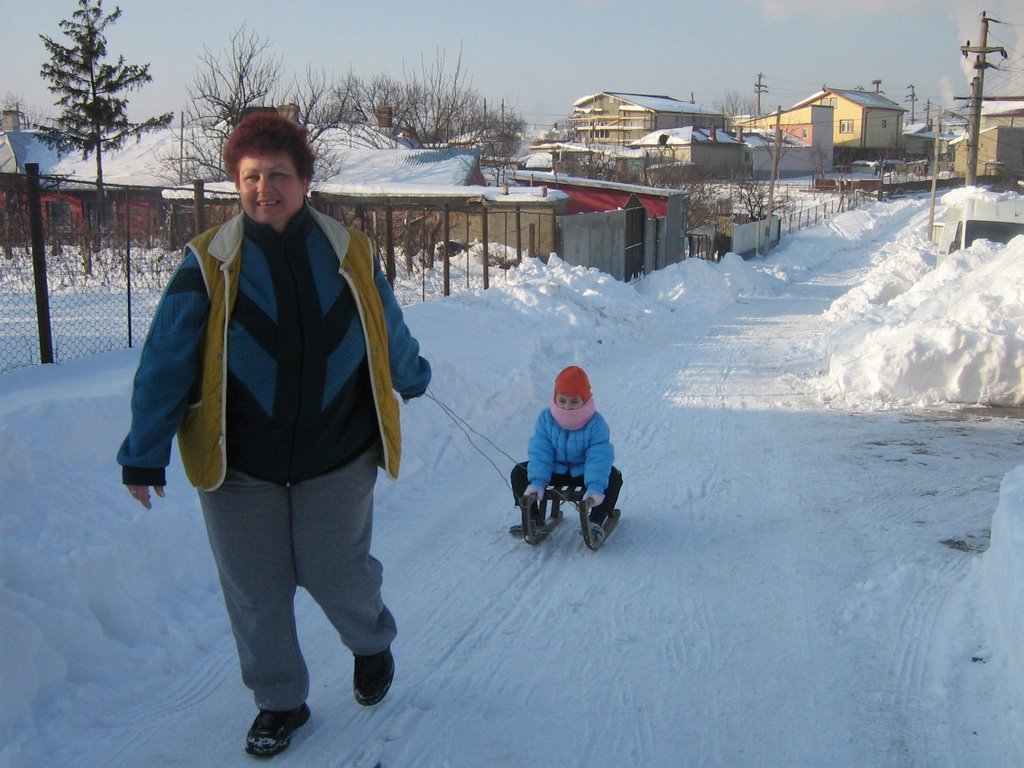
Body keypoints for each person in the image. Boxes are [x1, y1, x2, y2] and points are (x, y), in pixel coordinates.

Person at [117, 112, 431, 757]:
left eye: (278, 175)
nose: (265, 188)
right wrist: (144, 454)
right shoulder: (208, 261)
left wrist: (410, 373)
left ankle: (371, 643)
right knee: (255, 593)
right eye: (251, 176)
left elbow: (383, 324)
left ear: (305, 180)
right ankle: (280, 702)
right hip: (240, 463)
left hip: (337, 451)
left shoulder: (349, 250)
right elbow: (165, 360)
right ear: (237, 182)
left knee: (336, 571)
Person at [510, 365, 623, 543]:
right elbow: (541, 451)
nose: (567, 406)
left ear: (584, 401)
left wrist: (594, 487)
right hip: (554, 470)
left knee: (613, 476)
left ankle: (595, 521)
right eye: (562, 400)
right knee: (519, 471)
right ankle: (533, 518)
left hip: (583, 473)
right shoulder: (546, 418)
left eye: (574, 401)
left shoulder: (596, 424)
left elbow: (598, 458)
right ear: (555, 398)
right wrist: (538, 481)